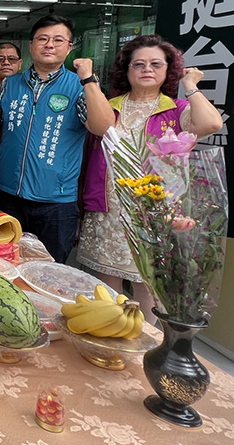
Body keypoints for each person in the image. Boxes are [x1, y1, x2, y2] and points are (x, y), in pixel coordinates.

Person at [78, 35, 222, 313]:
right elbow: (99, 127)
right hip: (110, 208)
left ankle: (145, 335)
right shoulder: (110, 105)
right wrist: (88, 79)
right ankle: (112, 328)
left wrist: (190, 86)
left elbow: (211, 123)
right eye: (138, 64)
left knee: (149, 282)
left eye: (156, 64)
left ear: (169, 70)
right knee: (106, 282)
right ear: (126, 70)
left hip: (154, 210)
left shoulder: (176, 109)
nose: (147, 69)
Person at [0, 14, 114, 264]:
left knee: (49, 273)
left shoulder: (79, 87)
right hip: (7, 196)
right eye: (43, 39)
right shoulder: (9, 85)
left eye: (58, 40)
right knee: (2, 268)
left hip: (56, 204)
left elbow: (104, 127)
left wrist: (88, 79)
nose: (49, 45)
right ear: (31, 45)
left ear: (69, 48)